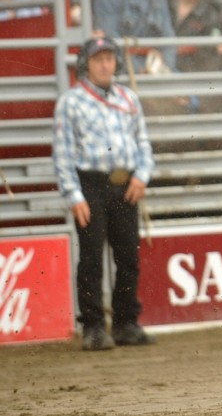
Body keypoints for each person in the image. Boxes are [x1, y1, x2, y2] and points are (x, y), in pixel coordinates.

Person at [51, 36, 155, 350]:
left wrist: (142, 175)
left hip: (126, 184)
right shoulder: (71, 102)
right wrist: (74, 194)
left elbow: (144, 143)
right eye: (98, 59)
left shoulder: (128, 98)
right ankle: (94, 326)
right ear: (87, 64)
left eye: (109, 58)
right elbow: (63, 152)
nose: (105, 64)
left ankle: (125, 323)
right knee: (92, 257)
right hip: (90, 184)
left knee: (127, 256)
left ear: (116, 62)